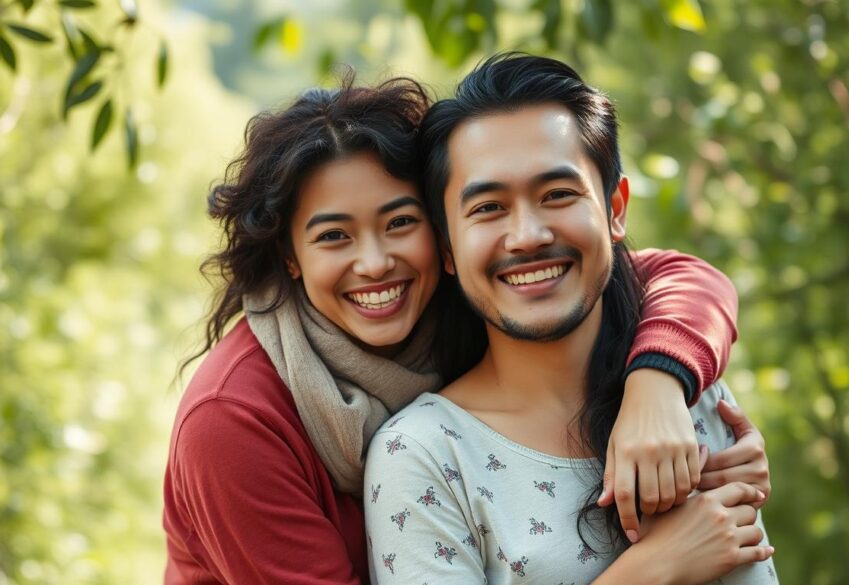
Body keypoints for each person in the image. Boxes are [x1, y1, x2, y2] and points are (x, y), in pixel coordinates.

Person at [163, 70, 747, 584]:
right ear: (290, 257)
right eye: (333, 236)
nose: (374, 263)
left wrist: (660, 388)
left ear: (439, 237)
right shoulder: (234, 421)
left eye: (400, 222)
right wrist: (656, 570)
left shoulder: (476, 291)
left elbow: (675, 276)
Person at [365, 53, 776, 584]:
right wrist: (654, 570)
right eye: (488, 207)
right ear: (446, 247)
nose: (528, 235)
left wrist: (659, 391)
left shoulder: (685, 392)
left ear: (615, 210)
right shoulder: (423, 456)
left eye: (558, 194)